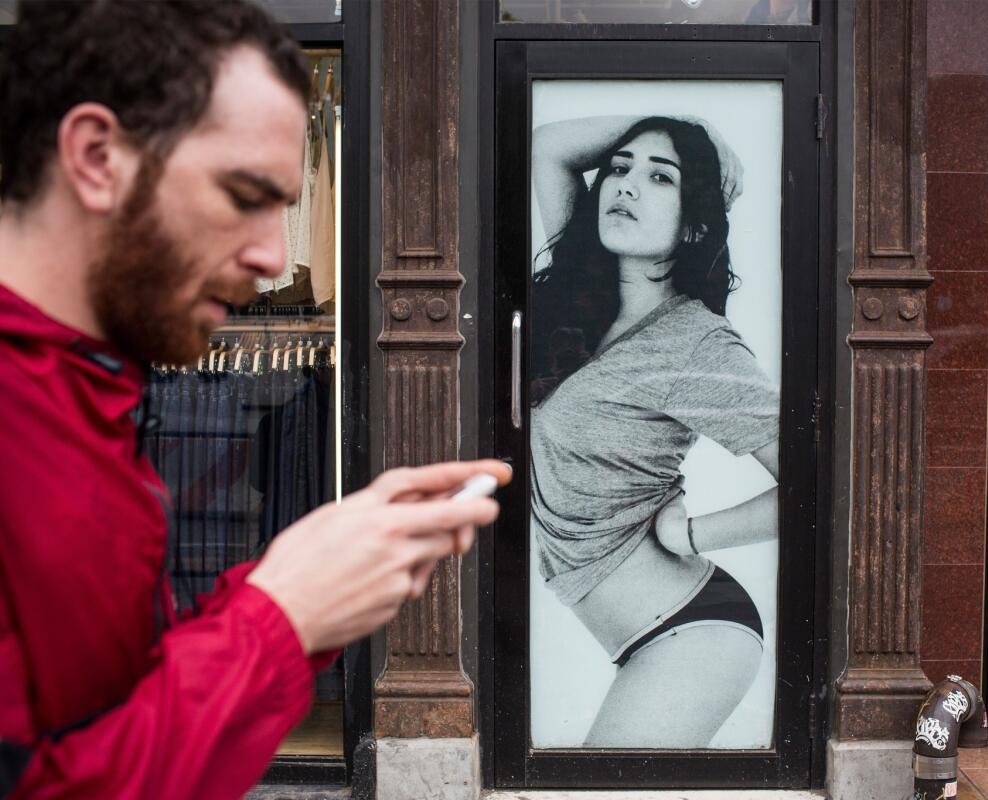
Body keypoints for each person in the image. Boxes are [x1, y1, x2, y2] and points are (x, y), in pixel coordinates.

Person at [0, 2, 508, 797]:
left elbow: (114, 719)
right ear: (97, 156)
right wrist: (278, 617)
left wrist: (309, 583)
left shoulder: (84, 396)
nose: (276, 258)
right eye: (244, 195)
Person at [529, 115, 780, 746]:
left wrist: (695, 533)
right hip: (641, 630)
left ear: (695, 225)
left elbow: (831, 482)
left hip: (693, 634)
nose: (627, 185)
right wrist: (687, 127)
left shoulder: (697, 344)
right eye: (619, 168)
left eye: (660, 177)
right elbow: (549, 147)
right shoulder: (581, 302)